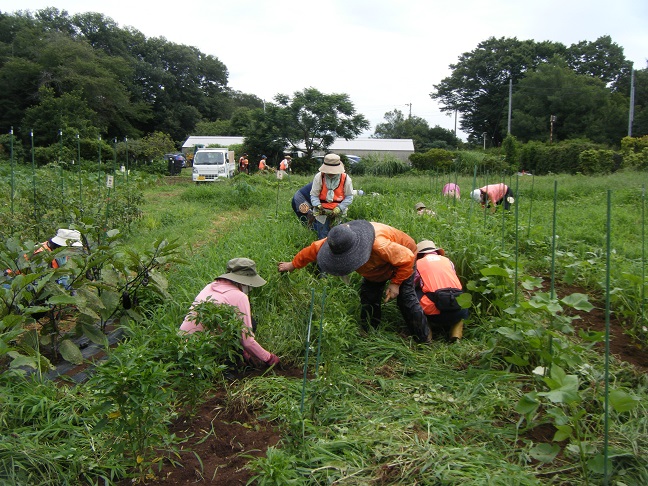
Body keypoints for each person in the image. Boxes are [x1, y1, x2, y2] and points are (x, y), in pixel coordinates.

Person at [278, 220, 431, 343]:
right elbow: (312, 250)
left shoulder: (380, 244)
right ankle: (370, 332)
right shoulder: (337, 240)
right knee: (369, 296)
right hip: (375, 267)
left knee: (406, 298)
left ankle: (424, 338)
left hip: (403, 261)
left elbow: (407, 258)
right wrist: (292, 265)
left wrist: (396, 283)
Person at [180, 258, 280, 368]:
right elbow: (247, 341)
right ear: (243, 281)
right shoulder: (239, 296)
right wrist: (269, 358)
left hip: (183, 345)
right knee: (246, 325)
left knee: (249, 322)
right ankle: (227, 367)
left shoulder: (210, 286)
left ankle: (236, 357)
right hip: (204, 352)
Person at [414, 240, 468, 342]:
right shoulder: (448, 261)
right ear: (436, 252)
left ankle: (427, 336)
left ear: (419, 254)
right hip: (457, 309)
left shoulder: (418, 264)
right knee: (462, 304)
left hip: (434, 313)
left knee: (413, 293)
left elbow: (410, 285)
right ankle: (455, 336)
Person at [309, 153, 354, 239]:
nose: (330, 173)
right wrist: (318, 205)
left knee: (338, 237)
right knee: (323, 237)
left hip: (339, 213)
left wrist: (339, 208)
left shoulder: (346, 179)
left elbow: (349, 197)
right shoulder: (319, 177)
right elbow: (314, 195)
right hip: (321, 212)